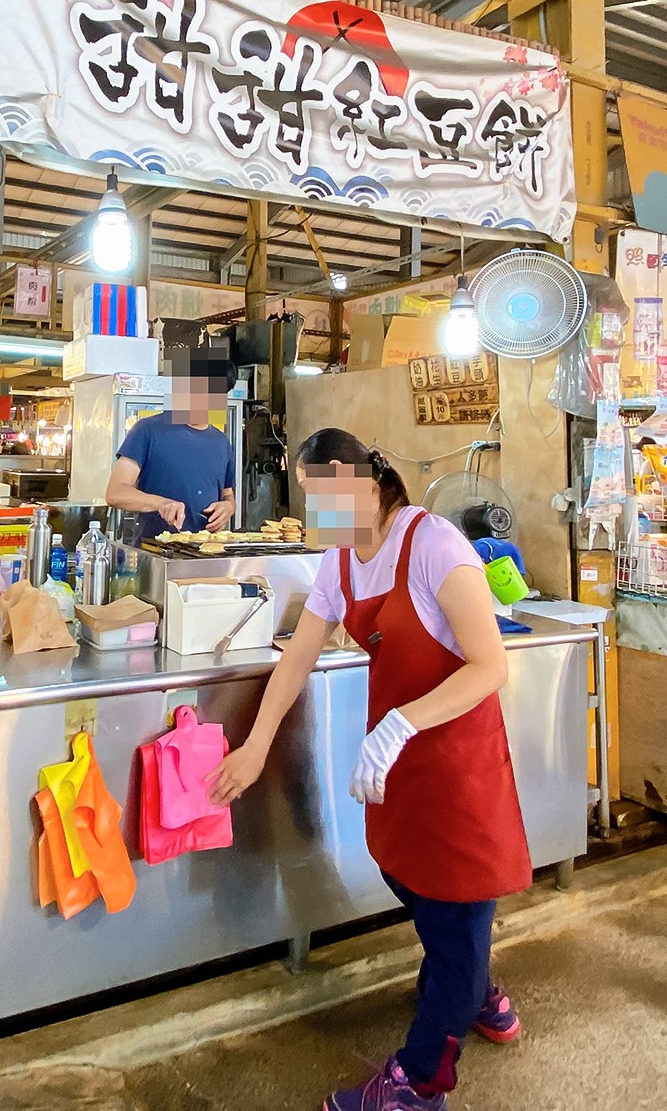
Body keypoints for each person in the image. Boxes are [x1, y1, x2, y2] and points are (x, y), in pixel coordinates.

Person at [208, 428, 530, 1111]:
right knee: (406, 876)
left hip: (456, 763)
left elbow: (490, 665)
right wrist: (257, 746)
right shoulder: (341, 563)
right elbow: (297, 657)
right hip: (396, 764)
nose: (318, 512)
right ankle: (472, 986)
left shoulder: (433, 542)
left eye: (325, 494)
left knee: (454, 910)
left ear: (364, 481)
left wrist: (405, 722)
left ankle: (418, 1083)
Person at [105, 340, 237, 541]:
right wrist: (161, 504)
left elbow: (227, 493)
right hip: (155, 554)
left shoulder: (220, 442)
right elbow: (116, 493)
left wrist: (228, 507)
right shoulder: (148, 430)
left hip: (204, 555)